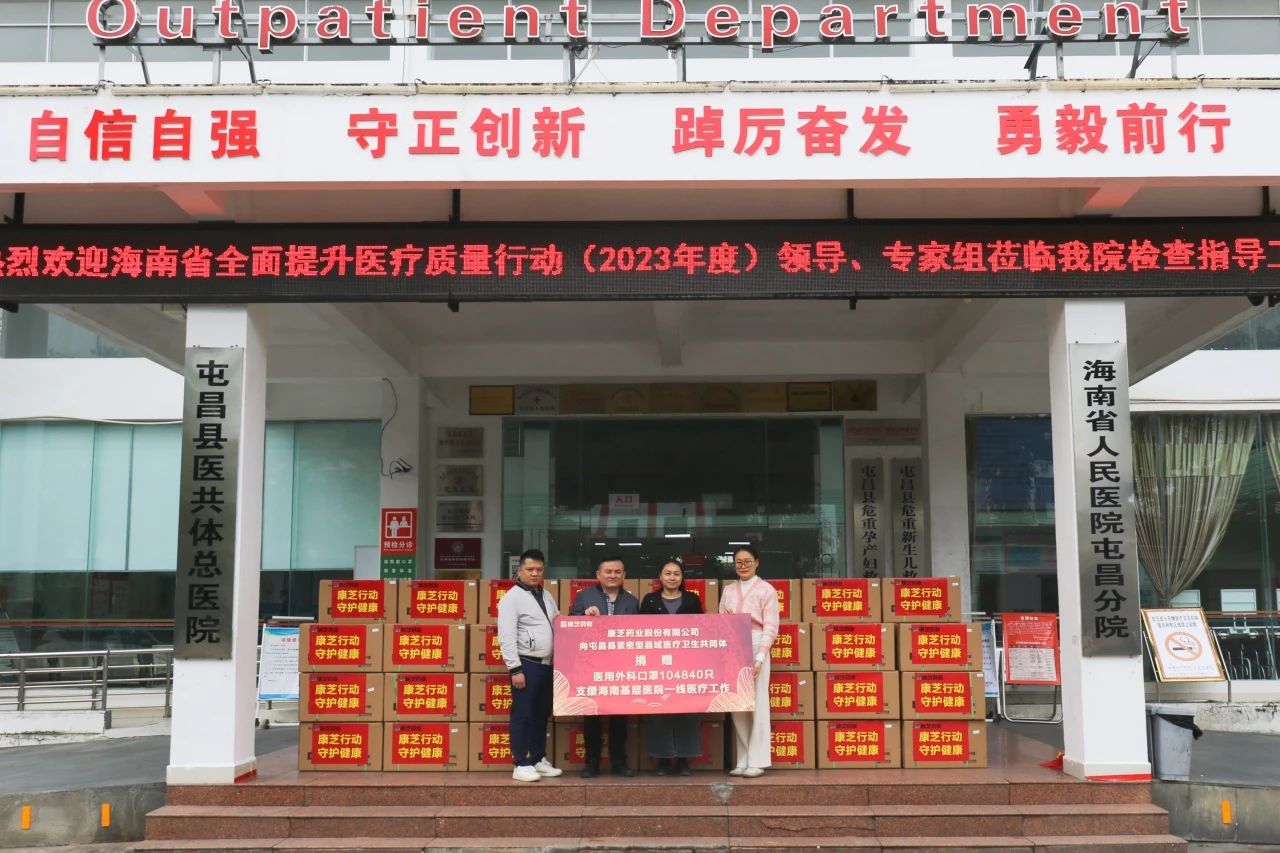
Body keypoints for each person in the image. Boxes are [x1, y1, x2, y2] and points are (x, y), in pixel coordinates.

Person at [569, 555, 640, 777]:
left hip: (621, 668)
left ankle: (619, 762)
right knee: (591, 718)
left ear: (624, 575)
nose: (613, 575)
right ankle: (592, 763)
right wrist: (584, 617)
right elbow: (569, 628)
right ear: (598, 575)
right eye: (608, 572)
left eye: (617, 572)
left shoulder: (632, 601)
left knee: (620, 718)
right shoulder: (584, 597)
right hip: (591, 668)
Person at [497, 548, 563, 783]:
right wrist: (515, 669)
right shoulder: (511, 598)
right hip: (527, 664)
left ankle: (537, 758)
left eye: (539, 569)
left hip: (547, 665)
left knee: (541, 714)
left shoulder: (546, 595)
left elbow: (556, 622)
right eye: (530, 569)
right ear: (519, 571)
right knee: (523, 714)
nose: (535, 573)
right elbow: (506, 636)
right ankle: (521, 763)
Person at [718, 544, 779, 778]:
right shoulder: (729, 590)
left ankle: (758, 759)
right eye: (739, 562)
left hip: (755, 642)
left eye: (747, 561)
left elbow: (771, 626)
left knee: (759, 702)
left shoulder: (766, 590)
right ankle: (743, 758)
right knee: (737, 703)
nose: (743, 566)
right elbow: (721, 622)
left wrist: (761, 656)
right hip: (733, 646)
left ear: (756, 562)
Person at [638, 558, 704, 776]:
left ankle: (684, 760)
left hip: (687, 665)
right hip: (657, 665)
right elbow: (640, 631)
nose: (672, 577)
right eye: (668, 573)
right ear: (660, 576)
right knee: (659, 711)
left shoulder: (692, 600)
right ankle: (663, 760)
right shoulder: (649, 600)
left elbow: (702, 630)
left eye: (676, 573)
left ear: (682, 577)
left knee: (687, 712)